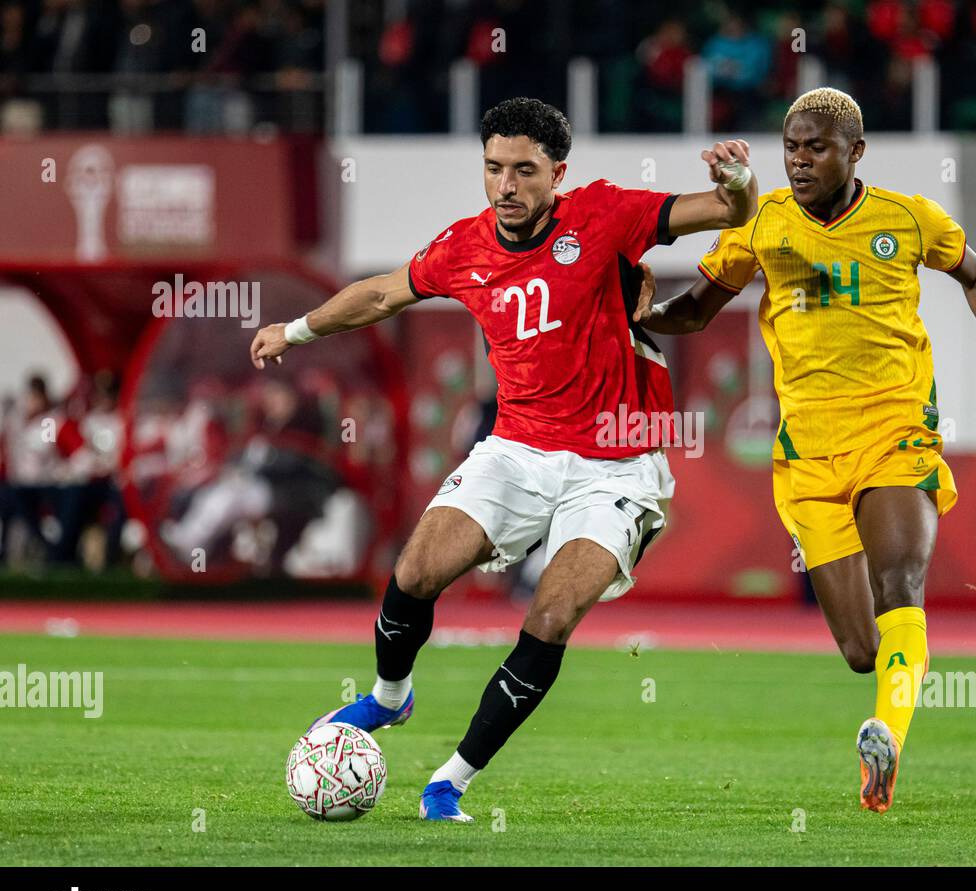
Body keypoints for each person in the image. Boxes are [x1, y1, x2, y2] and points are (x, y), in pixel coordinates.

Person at [249, 96, 757, 822]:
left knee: (549, 615)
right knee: (415, 571)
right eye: (494, 169)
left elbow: (729, 211)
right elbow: (380, 294)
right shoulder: (464, 246)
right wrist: (295, 330)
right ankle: (391, 698)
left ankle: (448, 780)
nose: (506, 185)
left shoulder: (607, 215)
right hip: (517, 450)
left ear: (558, 174)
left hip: (616, 462)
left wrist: (738, 181)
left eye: (524, 170)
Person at [640, 87, 976, 813]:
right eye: (792, 147)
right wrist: (636, 317)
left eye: (816, 147)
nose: (800, 161)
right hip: (808, 453)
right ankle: (885, 696)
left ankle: (888, 736)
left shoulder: (905, 218)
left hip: (894, 429)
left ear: (855, 152)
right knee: (863, 650)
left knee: (901, 584)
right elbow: (698, 311)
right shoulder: (762, 222)